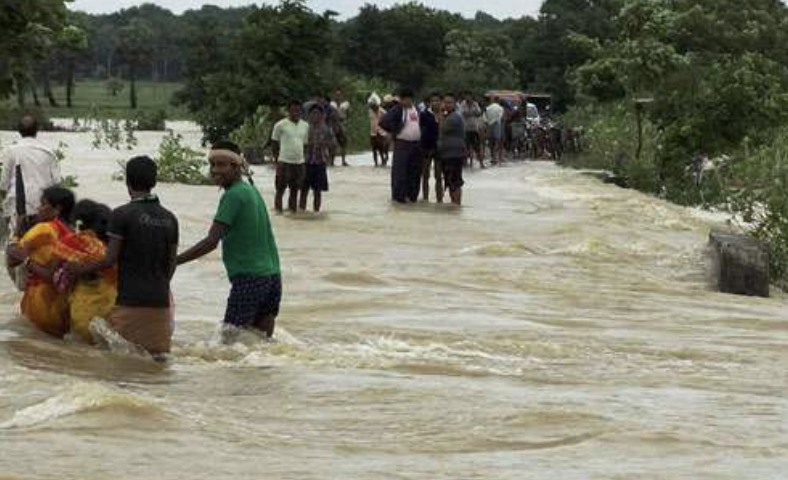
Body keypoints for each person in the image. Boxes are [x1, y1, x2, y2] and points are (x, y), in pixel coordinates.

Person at [67, 156, 179, 358]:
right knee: (157, 367)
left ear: (127, 182)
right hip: (160, 306)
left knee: (120, 368)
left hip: (130, 303)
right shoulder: (170, 218)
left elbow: (109, 260)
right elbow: (171, 266)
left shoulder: (122, 214)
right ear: (154, 182)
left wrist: (77, 269)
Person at [177, 141, 281, 340]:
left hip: (249, 278)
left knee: (229, 343)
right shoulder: (251, 191)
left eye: (222, 165)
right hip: (272, 277)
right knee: (261, 345)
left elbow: (211, 241)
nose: (215, 170)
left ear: (236, 166)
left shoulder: (233, 196)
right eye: (212, 165)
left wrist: (174, 261)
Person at [0, 114, 62, 290]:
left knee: (16, 249)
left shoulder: (11, 151)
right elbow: (57, 184)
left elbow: (3, 184)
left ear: (18, 131)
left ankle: (22, 290)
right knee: (44, 250)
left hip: (20, 211)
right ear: (37, 130)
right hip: (46, 210)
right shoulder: (49, 153)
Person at [6, 187, 74, 337]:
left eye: (43, 204)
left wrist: (17, 234)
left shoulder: (43, 229)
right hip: (65, 306)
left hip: (41, 301)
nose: (38, 208)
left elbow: (12, 259)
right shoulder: (73, 231)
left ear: (57, 209)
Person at [53, 199, 117, 343]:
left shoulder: (74, 242)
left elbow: (56, 273)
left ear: (78, 222)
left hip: (84, 308)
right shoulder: (114, 246)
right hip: (112, 307)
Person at [380, 87, 422, 204]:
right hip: (402, 144)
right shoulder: (397, 110)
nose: (407, 102)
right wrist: (393, 131)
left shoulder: (417, 109)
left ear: (412, 99)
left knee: (415, 172)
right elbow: (383, 122)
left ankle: (412, 196)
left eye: (409, 99)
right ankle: (399, 197)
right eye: (404, 99)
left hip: (416, 145)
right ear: (401, 99)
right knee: (400, 172)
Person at [272, 100, 309, 213]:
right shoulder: (280, 125)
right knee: (280, 190)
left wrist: (304, 159)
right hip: (284, 162)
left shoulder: (305, 125)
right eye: (293, 110)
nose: (295, 113)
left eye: (298, 110)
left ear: (301, 112)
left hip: (299, 163)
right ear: (288, 111)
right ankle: (278, 212)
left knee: (295, 190)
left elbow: (305, 144)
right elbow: (274, 144)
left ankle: (293, 214)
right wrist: (276, 160)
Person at [300, 105, 333, 212]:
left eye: (318, 114)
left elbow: (333, 144)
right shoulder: (305, 128)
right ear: (309, 116)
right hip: (306, 162)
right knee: (303, 190)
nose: (315, 116)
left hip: (320, 163)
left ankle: (316, 212)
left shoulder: (326, 130)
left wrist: (325, 145)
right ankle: (301, 211)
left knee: (317, 191)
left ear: (322, 116)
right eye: (313, 113)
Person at [438, 93, 467, 205]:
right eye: (445, 102)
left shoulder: (454, 117)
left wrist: (440, 113)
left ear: (455, 104)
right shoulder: (451, 116)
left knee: (454, 181)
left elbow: (442, 127)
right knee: (452, 181)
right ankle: (455, 205)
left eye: (449, 102)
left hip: (453, 154)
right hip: (449, 153)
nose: (446, 105)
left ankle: (456, 204)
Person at [419, 92, 443, 203]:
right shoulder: (424, 115)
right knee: (425, 176)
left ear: (441, 102)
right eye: (433, 101)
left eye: (437, 100)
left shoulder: (445, 114)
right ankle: (425, 199)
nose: (435, 103)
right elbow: (421, 131)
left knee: (439, 176)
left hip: (440, 149)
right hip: (426, 148)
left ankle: (439, 200)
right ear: (429, 103)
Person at [461, 92, 484, 168]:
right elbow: (463, 113)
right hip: (465, 129)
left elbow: (479, 113)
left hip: (474, 128)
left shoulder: (475, 104)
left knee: (477, 147)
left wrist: (471, 113)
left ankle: (481, 163)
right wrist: (472, 113)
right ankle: (465, 163)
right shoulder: (463, 104)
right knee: (465, 147)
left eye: (469, 96)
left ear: (471, 97)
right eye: (466, 96)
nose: (468, 98)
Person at [330, 89, 350, 167]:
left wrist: (345, 120)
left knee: (344, 143)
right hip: (334, 124)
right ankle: (332, 161)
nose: (338, 96)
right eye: (336, 94)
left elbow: (348, 114)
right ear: (334, 95)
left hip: (342, 124)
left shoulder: (345, 104)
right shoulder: (331, 104)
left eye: (339, 95)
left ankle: (343, 161)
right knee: (333, 143)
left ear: (342, 96)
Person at [484, 96, 505, 165]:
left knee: (491, 142)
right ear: (498, 101)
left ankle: (493, 157)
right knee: (497, 141)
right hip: (497, 125)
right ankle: (497, 158)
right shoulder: (500, 108)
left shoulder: (488, 108)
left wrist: (488, 122)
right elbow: (500, 117)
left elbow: (484, 117)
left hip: (489, 125)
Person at [369, 101, 389, 167]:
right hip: (373, 132)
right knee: (374, 149)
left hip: (381, 132)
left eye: (374, 106)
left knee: (382, 148)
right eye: (372, 107)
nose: (373, 108)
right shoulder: (370, 111)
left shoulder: (382, 111)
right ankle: (376, 163)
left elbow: (387, 117)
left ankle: (384, 159)